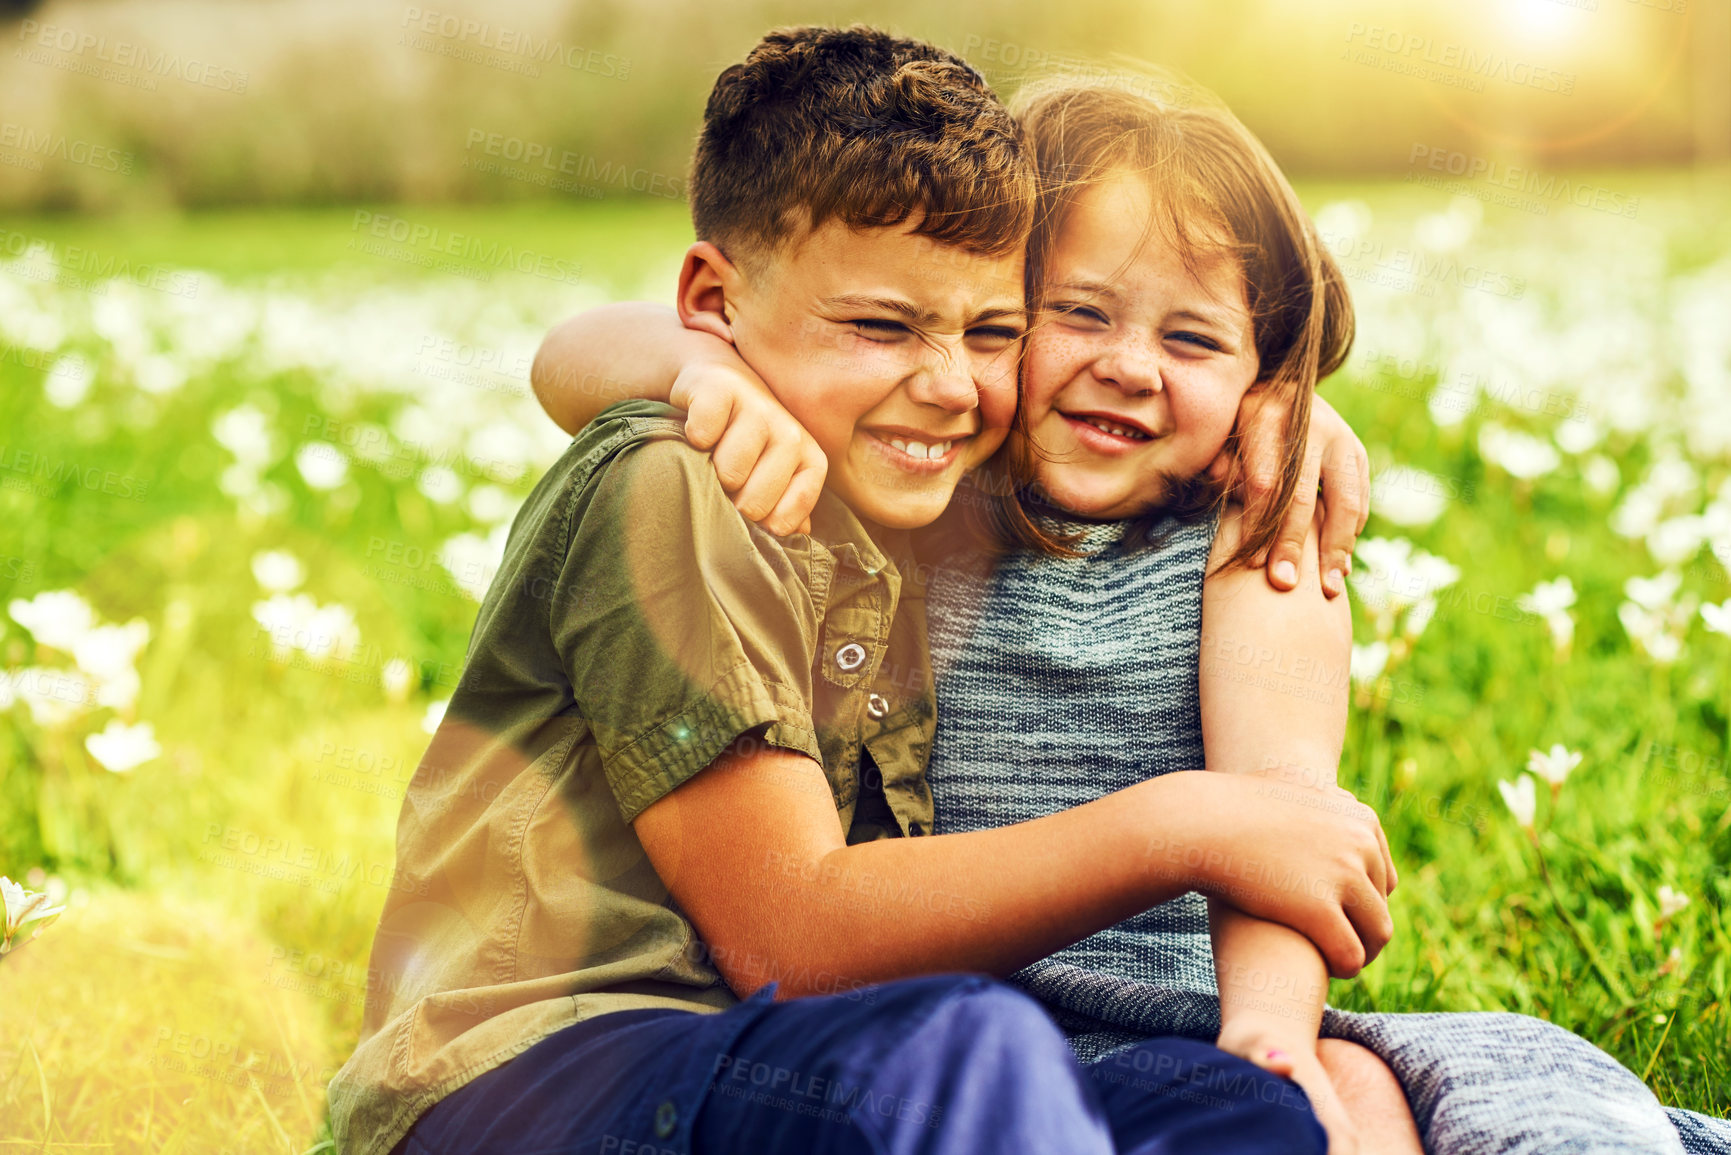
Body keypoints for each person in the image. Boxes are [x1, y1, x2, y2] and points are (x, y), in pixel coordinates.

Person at [531, 72, 1731, 1155]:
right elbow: (572, 360)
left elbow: (1284, 825)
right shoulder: (901, 485)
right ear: (991, 310)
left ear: (1261, 370)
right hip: (924, 1025)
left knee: (1373, 1106)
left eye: (1194, 339)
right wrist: (712, 374)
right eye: (1082, 314)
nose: (1132, 366)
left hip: (1182, 1033)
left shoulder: (1249, 538)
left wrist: (1271, 1038)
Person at [329, 27, 1402, 1155]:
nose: (945, 383)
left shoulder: (904, 488)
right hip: (540, 1070)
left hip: (774, 1055)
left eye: (992, 331)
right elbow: (787, 935)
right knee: (967, 1053)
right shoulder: (689, 482)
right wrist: (699, 367)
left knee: (1242, 1116)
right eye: (886, 326)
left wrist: (1281, 401)